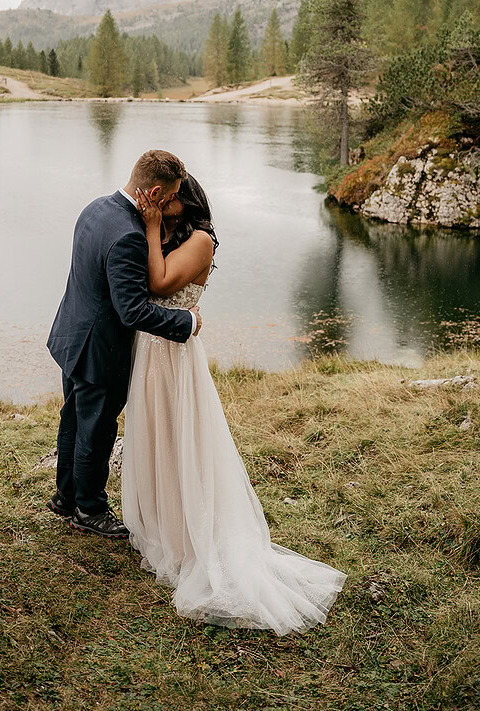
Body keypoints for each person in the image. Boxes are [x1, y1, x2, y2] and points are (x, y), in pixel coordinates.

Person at [121, 174, 346, 635]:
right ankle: (160, 523)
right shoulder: (164, 231)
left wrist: (146, 228)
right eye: (158, 198)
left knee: (179, 436)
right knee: (156, 433)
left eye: (169, 199)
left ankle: (190, 537)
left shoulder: (201, 240)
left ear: (188, 201)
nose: (161, 204)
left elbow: (158, 283)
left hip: (173, 353)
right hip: (150, 348)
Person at [46, 150, 202, 539]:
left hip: (71, 334)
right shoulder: (130, 235)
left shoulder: (96, 208)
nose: (170, 207)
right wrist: (187, 321)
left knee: (74, 417)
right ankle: (89, 509)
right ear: (153, 191)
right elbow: (133, 312)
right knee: (96, 429)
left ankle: (66, 496)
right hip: (102, 350)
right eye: (169, 198)